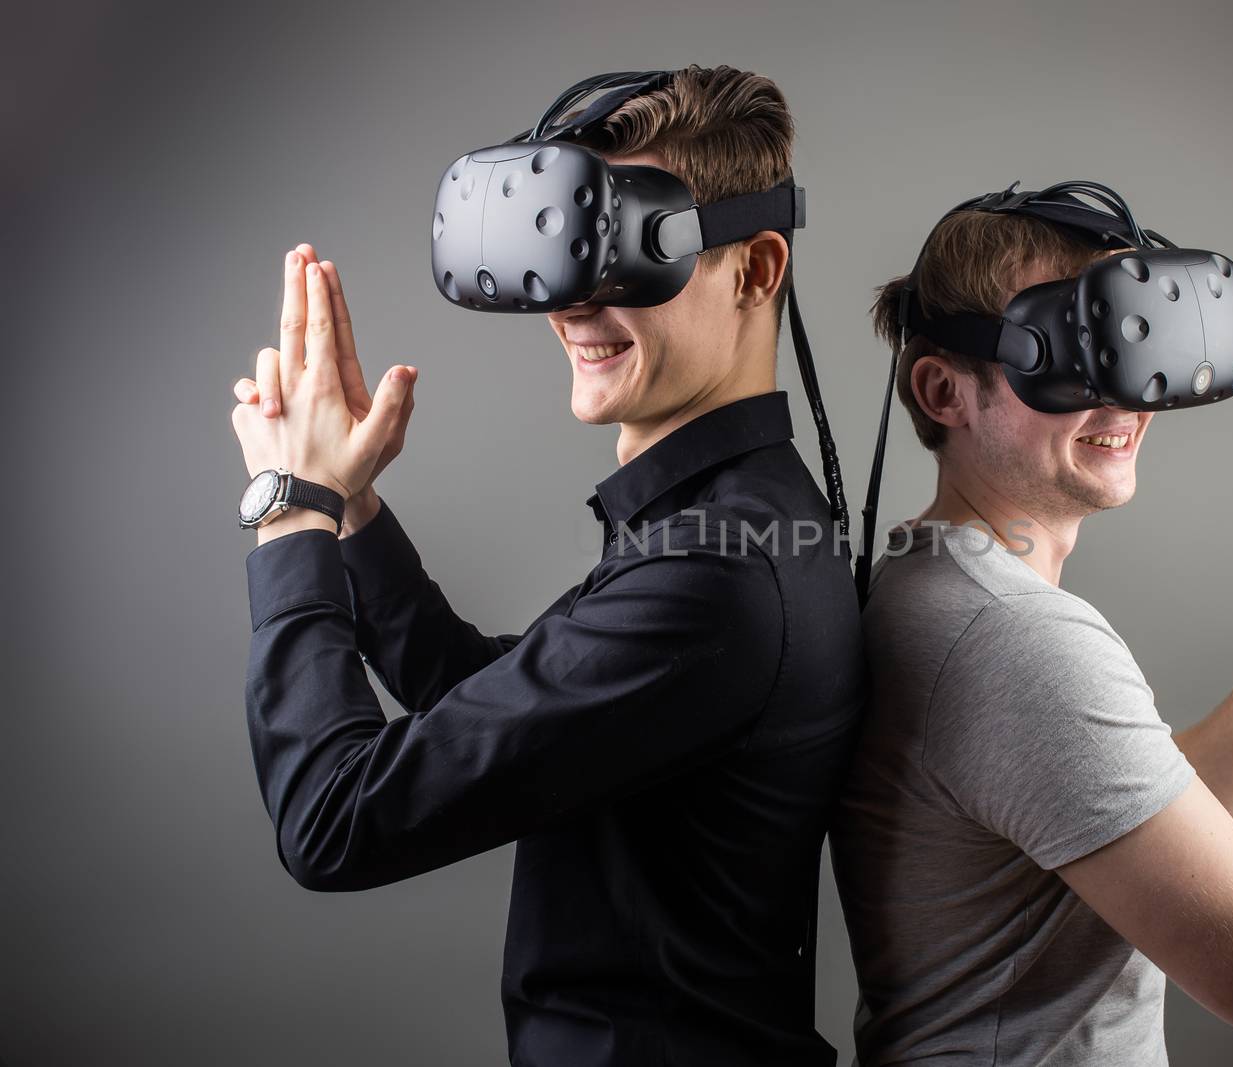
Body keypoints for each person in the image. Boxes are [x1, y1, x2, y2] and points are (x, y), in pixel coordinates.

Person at [227, 65, 864, 1067]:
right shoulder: (728, 522)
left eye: (629, 253)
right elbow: (489, 704)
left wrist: (289, 514)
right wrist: (349, 507)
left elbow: (333, 817)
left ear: (753, 267)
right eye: (568, 249)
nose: (575, 304)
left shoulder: (717, 572)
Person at [829, 204, 1233, 1065]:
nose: (1118, 396)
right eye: (1069, 355)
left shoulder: (933, 589)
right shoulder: (1013, 640)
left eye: (1128, 345)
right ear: (943, 391)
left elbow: (1119, 819)